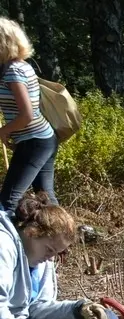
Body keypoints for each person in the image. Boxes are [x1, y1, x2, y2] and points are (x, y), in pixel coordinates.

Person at [0, 17, 58, 216]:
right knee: (47, 199)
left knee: (8, 202)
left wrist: (3, 131)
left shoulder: (13, 72)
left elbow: (26, 115)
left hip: (34, 141)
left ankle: (9, 246)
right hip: (43, 139)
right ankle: (62, 244)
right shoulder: (21, 66)